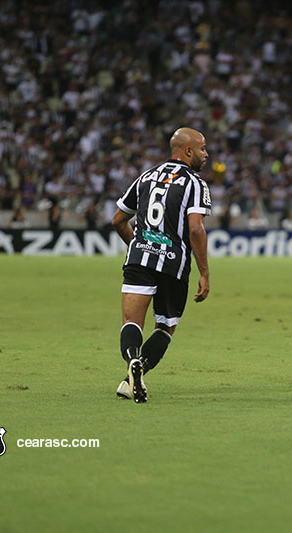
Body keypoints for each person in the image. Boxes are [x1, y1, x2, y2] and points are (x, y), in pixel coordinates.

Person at [111, 127, 212, 403]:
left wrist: (137, 245)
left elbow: (118, 220)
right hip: (173, 265)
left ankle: (132, 361)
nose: (206, 154)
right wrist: (204, 272)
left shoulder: (146, 176)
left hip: (139, 259)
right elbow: (196, 229)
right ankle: (137, 372)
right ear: (188, 151)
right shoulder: (195, 183)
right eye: (202, 149)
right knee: (165, 327)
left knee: (131, 322)